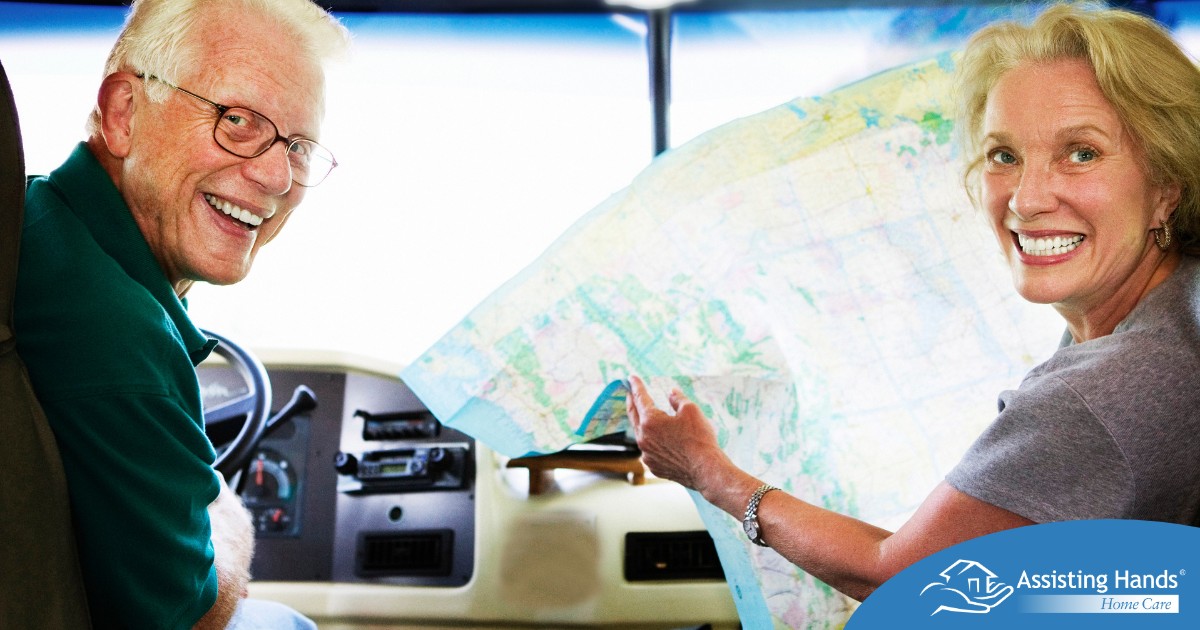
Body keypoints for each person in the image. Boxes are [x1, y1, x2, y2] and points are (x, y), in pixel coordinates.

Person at [626, 3, 1200, 603]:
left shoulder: (1104, 389)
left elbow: (903, 577)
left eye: (1081, 153)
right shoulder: (1172, 307)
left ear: (1167, 188)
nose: (1027, 200)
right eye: (1004, 156)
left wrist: (708, 471)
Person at [13, 0, 349, 627]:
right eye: (238, 120)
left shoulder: (38, 226)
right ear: (123, 114)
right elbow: (188, 615)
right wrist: (226, 514)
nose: (278, 177)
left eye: (299, 146)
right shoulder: (114, 333)